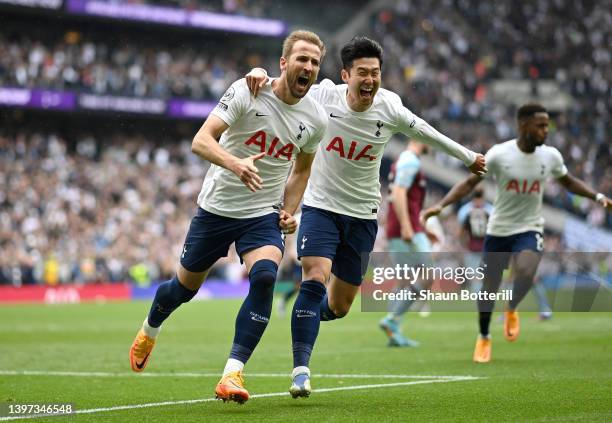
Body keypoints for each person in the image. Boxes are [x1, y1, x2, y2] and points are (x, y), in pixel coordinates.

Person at [245, 36, 486, 397]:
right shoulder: (323, 96)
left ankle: (306, 315)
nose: (371, 80)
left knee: (340, 307)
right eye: (363, 73)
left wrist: (467, 156)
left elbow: (425, 131)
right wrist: (258, 74)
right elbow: (283, 89)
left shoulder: (389, 107)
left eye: (376, 73)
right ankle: (300, 370)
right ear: (345, 75)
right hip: (320, 206)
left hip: (362, 215)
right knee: (314, 276)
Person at [128, 30, 329, 404]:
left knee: (266, 277)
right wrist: (236, 163)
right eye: (302, 58)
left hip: (261, 213)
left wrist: (290, 209)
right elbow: (201, 140)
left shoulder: (315, 119)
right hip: (216, 209)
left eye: (315, 62)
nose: (309, 67)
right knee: (183, 289)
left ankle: (232, 372)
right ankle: (150, 328)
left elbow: (302, 170)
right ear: (283, 63)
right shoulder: (248, 90)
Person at [421, 103, 611, 363]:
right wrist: (441, 205)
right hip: (499, 229)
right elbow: (469, 183)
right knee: (490, 288)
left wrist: (597, 196)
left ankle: (511, 307)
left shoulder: (551, 156)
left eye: (547, 125)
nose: (546, 130)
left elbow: (568, 182)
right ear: (524, 126)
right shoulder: (499, 154)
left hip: (530, 226)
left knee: (526, 270)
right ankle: (484, 336)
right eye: (541, 125)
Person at [379, 141, 437, 347]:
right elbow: (399, 193)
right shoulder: (410, 160)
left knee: (403, 281)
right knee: (428, 275)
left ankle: (394, 333)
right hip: (405, 229)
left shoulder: (402, 160)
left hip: (401, 227)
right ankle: (392, 320)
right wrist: (406, 226)